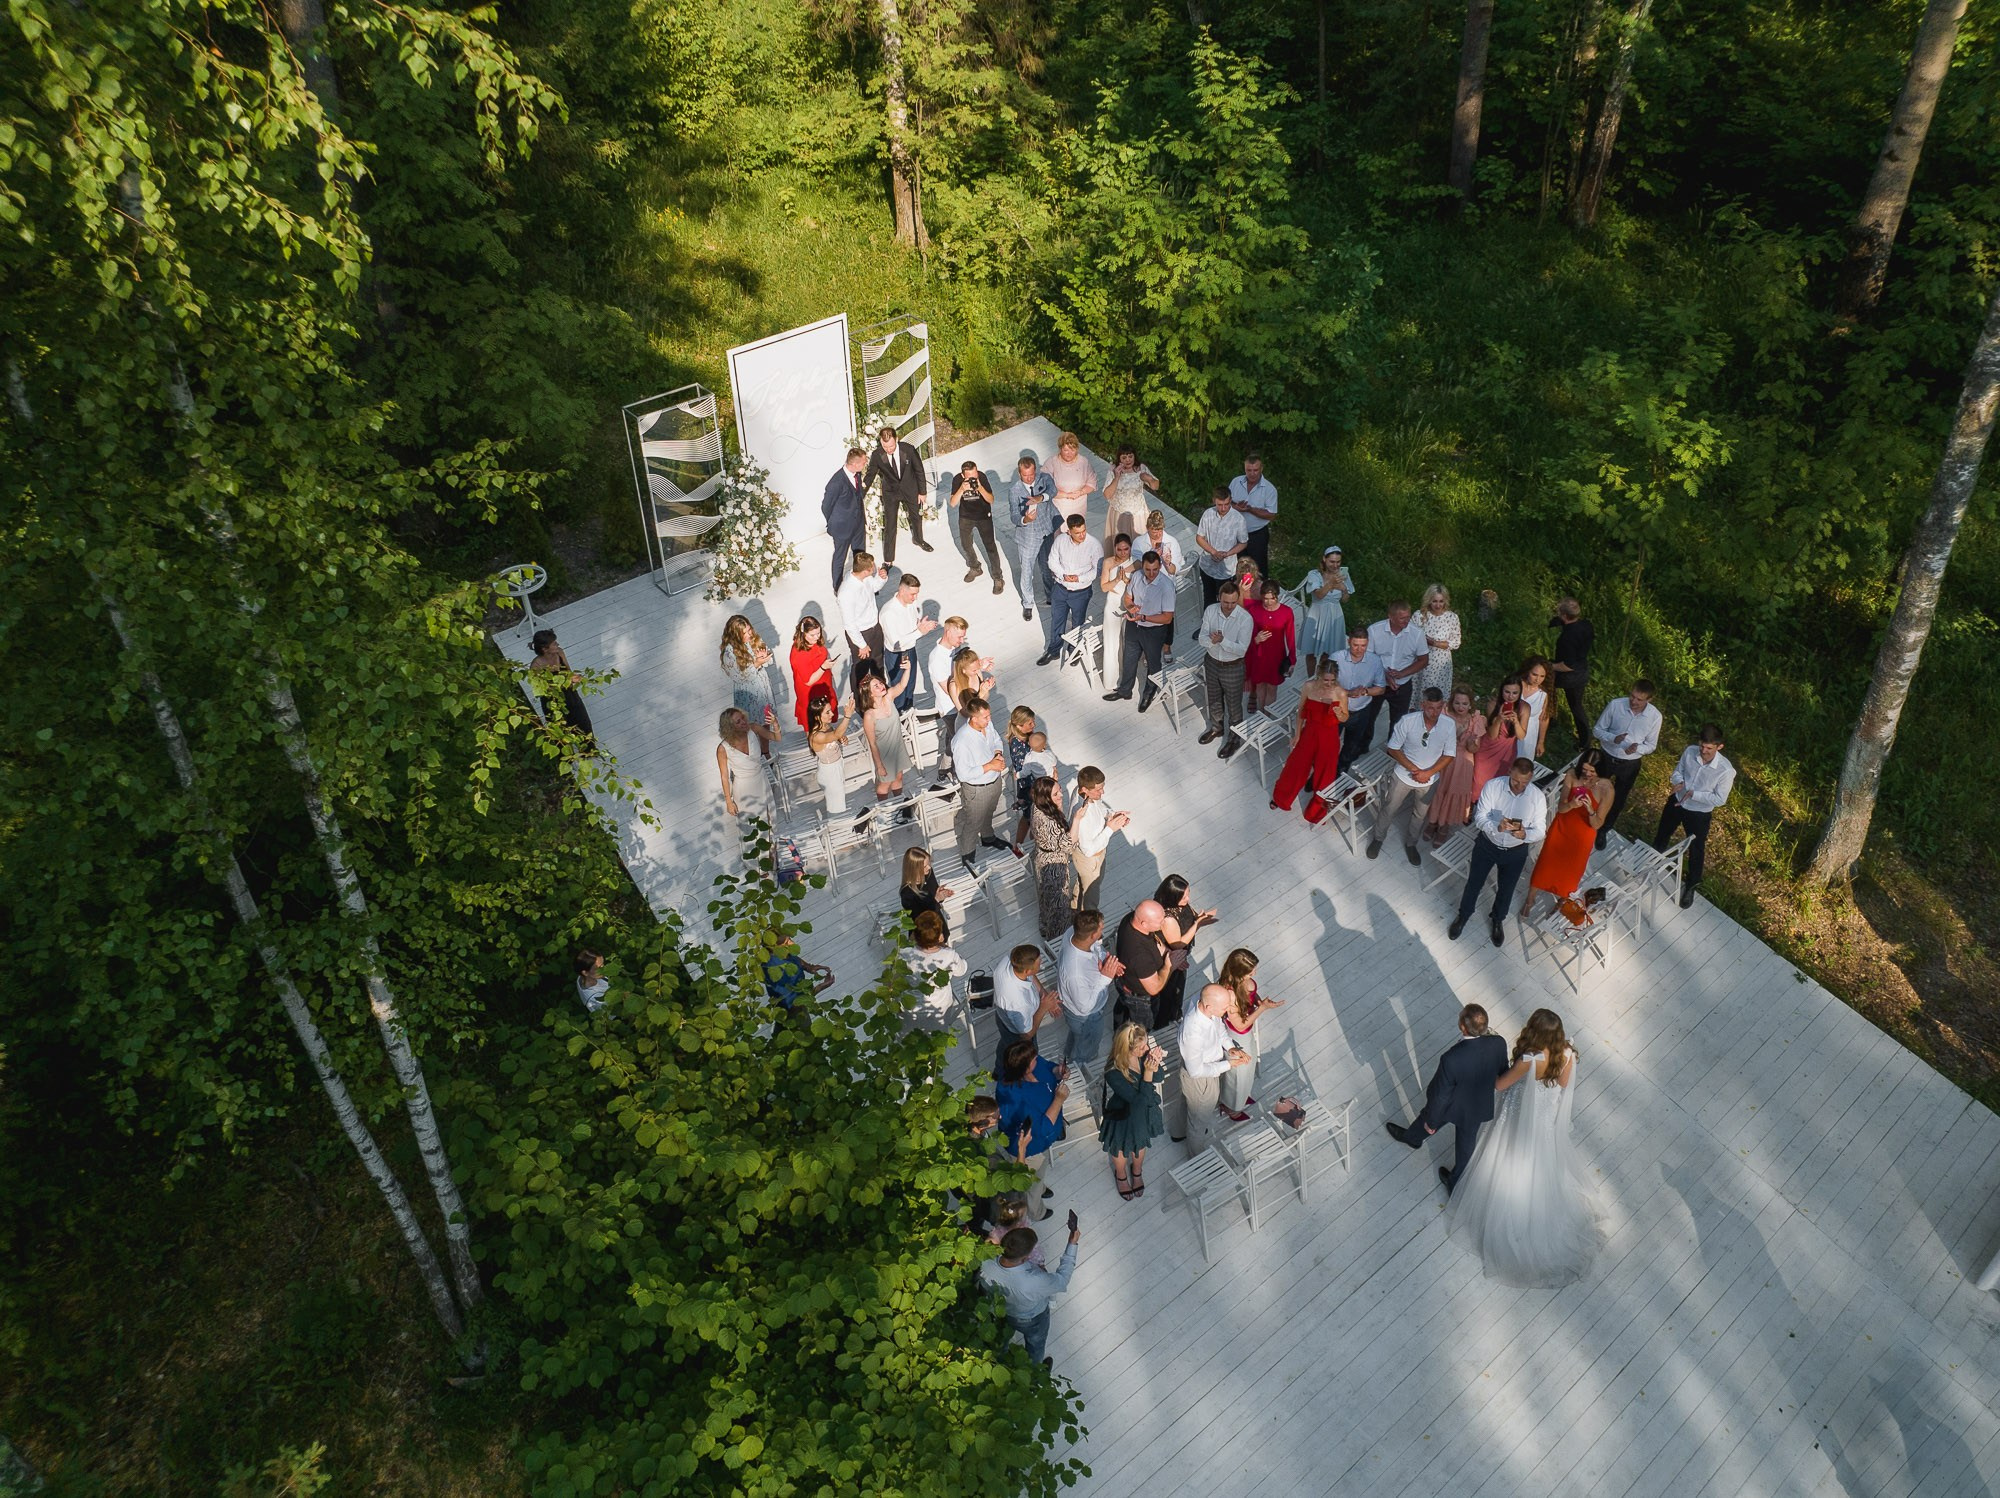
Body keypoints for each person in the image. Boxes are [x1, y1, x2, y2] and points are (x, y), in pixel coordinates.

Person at [1445, 1008, 1602, 1285]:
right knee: (1538, 1165)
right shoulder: (1568, 1055)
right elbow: (1564, 1086)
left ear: (1534, 1030)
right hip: (1544, 1121)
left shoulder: (1529, 1060)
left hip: (1518, 1117)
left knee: (1507, 1157)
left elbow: (1500, 1085)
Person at [1384, 1003, 1510, 1195]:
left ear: (1463, 1027)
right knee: (1467, 1144)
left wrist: (1432, 1123)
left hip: (1450, 1105)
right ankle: (1455, 1181)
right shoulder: (1499, 1042)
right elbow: (1503, 1071)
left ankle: (1413, 1138)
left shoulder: (1451, 1058)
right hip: (1477, 1106)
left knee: (1428, 1117)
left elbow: (1440, 1096)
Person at [1450, 757, 1549, 947]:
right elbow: (1479, 818)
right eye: (1515, 781)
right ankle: (1463, 916)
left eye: (1524, 783)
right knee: (1474, 883)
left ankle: (1497, 920)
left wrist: (1524, 835)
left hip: (1515, 851)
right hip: (1487, 844)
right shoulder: (1493, 786)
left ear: (1531, 778)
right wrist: (1497, 826)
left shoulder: (1537, 797)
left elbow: (1539, 831)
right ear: (1510, 771)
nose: (1519, 786)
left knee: (1507, 889)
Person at [1369, 687, 1458, 865]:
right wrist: (1415, 770)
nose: (1435, 712)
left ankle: (1411, 844)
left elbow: (1449, 754)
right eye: (1431, 708)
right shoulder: (1408, 721)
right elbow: (1393, 748)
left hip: (1430, 780)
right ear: (1422, 705)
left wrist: (1428, 773)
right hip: (1402, 775)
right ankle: (1378, 838)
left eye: (1439, 707)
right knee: (1389, 808)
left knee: (1420, 814)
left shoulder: (1449, 724)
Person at [978, 1213, 1081, 1367]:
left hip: (1000, 1310)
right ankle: (1034, 1373)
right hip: (1031, 1318)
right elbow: (1062, 1280)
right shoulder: (1034, 1281)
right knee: (1035, 1345)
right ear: (1026, 1257)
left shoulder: (985, 1261)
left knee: (1000, 1338)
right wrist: (1072, 1244)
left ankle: (997, 1363)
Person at [1522, 749, 1611, 920]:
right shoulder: (1572, 774)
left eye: (1592, 771)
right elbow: (1561, 808)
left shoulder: (1607, 788)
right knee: (1545, 865)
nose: (1587, 774)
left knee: (1570, 874)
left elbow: (1598, 824)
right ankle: (1529, 900)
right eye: (1585, 770)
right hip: (1563, 827)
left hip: (1583, 835)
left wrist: (1590, 810)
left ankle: (1562, 900)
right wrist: (1571, 804)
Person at [1653, 723, 1736, 907]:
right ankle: (1651, 863)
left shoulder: (1726, 770)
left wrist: (1695, 794)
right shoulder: (1690, 751)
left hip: (1698, 814)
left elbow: (1720, 799)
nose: (1703, 751)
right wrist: (1679, 781)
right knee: (1662, 833)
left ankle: (1691, 885)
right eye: (1702, 746)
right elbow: (1678, 771)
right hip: (1676, 802)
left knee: (1696, 849)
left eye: (1709, 748)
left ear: (1719, 746)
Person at [1271, 658, 1349, 818]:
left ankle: (1316, 812)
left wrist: (1338, 713)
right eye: (1325, 679)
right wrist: (1297, 734)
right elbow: (1301, 711)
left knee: (1325, 775)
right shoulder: (1309, 687)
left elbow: (1345, 718)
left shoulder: (1340, 692)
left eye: (1332, 680)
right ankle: (1281, 798)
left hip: (1329, 737)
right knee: (1295, 766)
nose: (1328, 683)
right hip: (1310, 732)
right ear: (1318, 675)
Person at [1178, 983, 1253, 1150]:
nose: (1227, 1011)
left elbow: (1219, 1031)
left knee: (1188, 1105)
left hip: (1205, 1066)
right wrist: (1228, 1064)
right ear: (1209, 1006)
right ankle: (1196, 1158)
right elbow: (1196, 1071)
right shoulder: (1193, 1032)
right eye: (1224, 1008)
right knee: (1199, 1120)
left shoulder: (1208, 1008)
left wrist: (1230, 1047)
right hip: (1201, 1078)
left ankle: (1178, 1132)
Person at [1591, 678, 1662, 848]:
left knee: (1618, 799)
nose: (1634, 701)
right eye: (1632, 696)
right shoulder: (1616, 705)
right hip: (1607, 755)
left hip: (1629, 763)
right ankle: (1587, 818)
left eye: (1639, 699)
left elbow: (1651, 745)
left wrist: (1637, 749)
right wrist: (1612, 738)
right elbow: (1597, 730)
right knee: (1594, 787)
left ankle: (1603, 830)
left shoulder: (1655, 717)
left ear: (1649, 700)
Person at [1103, 548, 1176, 712]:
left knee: (1153, 663)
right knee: (1129, 658)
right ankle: (1125, 690)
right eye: (1148, 569)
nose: (1151, 573)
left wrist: (1144, 617)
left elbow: (1167, 618)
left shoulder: (1167, 586)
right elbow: (1127, 597)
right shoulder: (1136, 577)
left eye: (1155, 569)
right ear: (1142, 566)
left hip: (1154, 631)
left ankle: (1149, 693)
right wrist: (1130, 607)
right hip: (1134, 625)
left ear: (1159, 567)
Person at [1101, 1024, 1166, 1201]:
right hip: (1124, 1114)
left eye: (1146, 1045)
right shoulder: (1113, 1071)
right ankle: (1120, 1174)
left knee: (1141, 1142)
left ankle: (1137, 1171)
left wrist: (1154, 1061)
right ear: (1127, 1048)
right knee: (1120, 1146)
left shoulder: (1144, 1054)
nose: (1146, 1049)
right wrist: (1148, 1073)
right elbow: (1138, 1101)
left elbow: (1159, 1077)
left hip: (1144, 1112)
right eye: (1142, 1047)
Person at [1219, 948, 1284, 1119]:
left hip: (1246, 1034)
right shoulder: (1230, 993)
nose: (1254, 972)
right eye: (1250, 971)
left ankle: (1240, 1097)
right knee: (1238, 1073)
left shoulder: (1244, 981)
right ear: (1240, 972)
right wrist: (1262, 1008)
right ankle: (1232, 1107)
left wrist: (1259, 1001)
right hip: (1237, 1036)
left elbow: (1250, 996)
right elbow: (1240, 1025)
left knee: (1250, 1064)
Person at [952, 695, 1014, 873]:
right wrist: (989, 766)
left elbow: (995, 739)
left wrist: (997, 752)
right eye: (985, 717)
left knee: (989, 812)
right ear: (973, 717)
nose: (989, 719)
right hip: (976, 789)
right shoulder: (962, 741)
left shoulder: (987, 725)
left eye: (989, 715)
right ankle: (967, 855)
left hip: (993, 781)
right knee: (973, 822)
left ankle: (988, 837)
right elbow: (963, 774)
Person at [1058, 909, 1122, 1077]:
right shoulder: (1075, 973)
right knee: (1086, 1050)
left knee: (1076, 1038)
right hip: (1086, 1017)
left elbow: (1095, 949)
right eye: (1101, 928)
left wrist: (1106, 960)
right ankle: (1077, 1073)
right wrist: (1105, 978)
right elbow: (1085, 1007)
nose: (1103, 930)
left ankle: (1069, 1055)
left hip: (1076, 1012)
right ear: (1093, 935)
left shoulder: (1074, 934)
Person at [1421, 685, 1487, 844]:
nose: (1461, 707)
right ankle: (1433, 822)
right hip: (1444, 757)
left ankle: (1444, 826)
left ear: (1470, 704)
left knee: (1454, 792)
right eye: (1457, 703)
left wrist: (1472, 742)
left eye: (1464, 704)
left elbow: (1474, 748)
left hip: (1463, 762)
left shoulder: (1477, 719)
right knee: (1440, 789)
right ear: (1452, 702)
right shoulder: (1444, 714)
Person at [1197, 581, 1254, 756]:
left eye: (1233, 602)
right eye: (1225, 602)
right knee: (1213, 697)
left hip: (1233, 666)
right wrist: (1211, 641)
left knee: (1234, 704)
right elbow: (1202, 638)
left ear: (1238, 599)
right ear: (1219, 598)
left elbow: (1242, 650)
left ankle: (1234, 738)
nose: (1229, 606)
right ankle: (1217, 727)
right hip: (1212, 661)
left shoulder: (1245, 619)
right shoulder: (1210, 611)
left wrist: (1222, 641)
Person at [1039, 514, 1103, 666]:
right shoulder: (1060, 540)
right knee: (1057, 620)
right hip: (1060, 588)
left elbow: (1097, 570)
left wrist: (1078, 578)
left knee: (1078, 622)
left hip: (1081, 592)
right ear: (1069, 531)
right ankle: (1053, 650)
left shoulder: (1094, 545)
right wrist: (1063, 575)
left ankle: (1074, 650)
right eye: (1077, 532)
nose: (1082, 535)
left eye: (1083, 531)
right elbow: (1052, 560)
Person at [1153, 875, 1215, 1032]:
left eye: (1188, 893)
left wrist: (1202, 918)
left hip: (1180, 956)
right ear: (1172, 897)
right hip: (1171, 959)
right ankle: (1163, 1023)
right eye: (1184, 895)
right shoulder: (1168, 918)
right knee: (1170, 992)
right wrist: (1197, 925)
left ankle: (1174, 1013)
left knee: (1177, 991)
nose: (1188, 898)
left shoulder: (1181, 904)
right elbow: (1178, 944)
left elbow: (1191, 917)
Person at [996, 1038, 1068, 1172]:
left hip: (1051, 1126)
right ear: (1025, 1068)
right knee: (1035, 1177)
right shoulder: (1015, 1097)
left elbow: (1046, 1066)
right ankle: (1038, 1190)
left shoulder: (1032, 1064)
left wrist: (1057, 1071)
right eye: (1034, 1059)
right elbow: (1041, 1129)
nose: (1037, 1059)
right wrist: (1058, 1100)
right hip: (1031, 1148)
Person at [864, 422, 931, 564]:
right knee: (890, 525)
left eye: (891, 446)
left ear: (897, 439)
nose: (888, 449)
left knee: (916, 517)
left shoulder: (909, 450)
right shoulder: (877, 455)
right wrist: (860, 493)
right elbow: (870, 476)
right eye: (885, 446)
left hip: (910, 489)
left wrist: (922, 492)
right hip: (891, 493)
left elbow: (919, 471)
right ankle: (888, 559)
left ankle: (919, 539)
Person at [993, 944, 1061, 1075]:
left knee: (1005, 1044)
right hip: (1016, 1030)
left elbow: (1030, 976)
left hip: (1002, 1017)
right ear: (1027, 971)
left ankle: (998, 1069)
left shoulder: (1009, 961)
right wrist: (1043, 1007)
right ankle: (1010, 1075)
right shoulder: (1018, 1002)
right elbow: (1026, 1035)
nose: (1041, 964)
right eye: (1038, 963)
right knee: (1024, 1057)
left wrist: (1043, 994)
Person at [1026, 775, 1080, 941]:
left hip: (1042, 856)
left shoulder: (1038, 806)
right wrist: (1077, 819)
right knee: (1058, 905)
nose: (1061, 795)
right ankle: (1056, 941)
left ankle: (1044, 925)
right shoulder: (1047, 821)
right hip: (1053, 865)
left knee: (1046, 897)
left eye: (1060, 791)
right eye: (1056, 794)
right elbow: (1068, 845)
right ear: (1046, 798)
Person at [719, 615, 780, 758]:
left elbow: (767, 660)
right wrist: (757, 664)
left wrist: (765, 657)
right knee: (749, 725)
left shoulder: (754, 640)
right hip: (747, 693)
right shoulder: (729, 652)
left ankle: (765, 751)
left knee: (765, 720)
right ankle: (752, 754)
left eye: (749, 630)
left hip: (762, 687)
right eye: (744, 633)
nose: (749, 634)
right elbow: (739, 677)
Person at [1068, 765, 1128, 911]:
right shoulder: (1082, 814)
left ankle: (1074, 905)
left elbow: (1100, 808)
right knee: (1090, 901)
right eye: (1098, 790)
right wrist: (1110, 829)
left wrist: (1111, 815)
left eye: (1102, 787)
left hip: (1097, 854)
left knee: (1085, 883)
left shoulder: (1087, 794)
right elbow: (1088, 850)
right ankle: (1083, 922)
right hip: (1090, 860)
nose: (1102, 792)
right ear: (1084, 789)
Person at [877, 573, 938, 712]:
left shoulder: (911, 603)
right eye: (912, 594)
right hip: (896, 655)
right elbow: (896, 643)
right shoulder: (888, 613)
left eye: (916, 594)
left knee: (910, 685)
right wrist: (919, 632)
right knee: (899, 690)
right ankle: (900, 718)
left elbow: (914, 621)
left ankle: (909, 713)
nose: (915, 597)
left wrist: (919, 625)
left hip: (910, 650)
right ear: (902, 591)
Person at [1008, 454, 1059, 621]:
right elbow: (1014, 516)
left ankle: (1051, 596)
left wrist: (1040, 497)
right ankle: (1028, 604)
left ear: (1035, 471)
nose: (1029, 478)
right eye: (1025, 475)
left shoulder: (1044, 479)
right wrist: (1025, 520)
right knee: (1027, 570)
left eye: (1031, 474)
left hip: (1046, 530)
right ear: (1019, 472)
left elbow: (1053, 491)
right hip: (1028, 536)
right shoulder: (1014, 491)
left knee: (1047, 567)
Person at [1367, 602, 1430, 733]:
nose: (1406, 621)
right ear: (1390, 616)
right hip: (1376, 682)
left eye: (1408, 617)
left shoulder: (1417, 634)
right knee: (1368, 717)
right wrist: (1384, 675)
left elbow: (1423, 660)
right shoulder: (1374, 630)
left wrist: (1402, 674)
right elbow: (1368, 657)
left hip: (1403, 685)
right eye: (1402, 618)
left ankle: (1392, 750)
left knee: (1398, 722)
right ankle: (1361, 747)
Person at [901, 909, 968, 1031]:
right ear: (940, 936)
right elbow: (961, 970)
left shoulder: (904, 954)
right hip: (939, 1006)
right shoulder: (949, 955)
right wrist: (947, 948)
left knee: (912, 1032)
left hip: (911, 1005)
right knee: (939, 1032)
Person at [1111, 900, 1171, 1032]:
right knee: (1142, 1029)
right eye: (1160, 921)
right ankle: (1135, 1050)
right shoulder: (1139, 955)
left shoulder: (1131, 919)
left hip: (1123, 981)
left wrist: (1167, 952)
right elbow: (1154, 988)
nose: (1164, 922)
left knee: (1122, 1005)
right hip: (1139, 997)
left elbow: (1153, 937)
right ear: (1144, 923)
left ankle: (1117, 1030)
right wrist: (1168, 966)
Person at [1334, 626, 1388, 771]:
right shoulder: (1336, 658)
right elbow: (1326, 686)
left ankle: (1340, 773)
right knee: (1329, 745)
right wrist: (1347, 693)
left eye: (1363, 645)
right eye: (1355, 645)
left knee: (1351, 747)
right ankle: (1320, 774)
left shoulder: (1375, 661)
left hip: (1361, 711)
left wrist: (1365, 691)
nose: (1359, 649)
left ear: (1368, 643)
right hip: (1337, 709)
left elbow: (1381, 688)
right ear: (1348, 642)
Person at [529, 629, 596, 746]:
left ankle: (588, 749)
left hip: (569, 693)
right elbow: (540, 689)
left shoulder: (559, 653)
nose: (558, 645)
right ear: (545, 649)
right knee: (560, 727)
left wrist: (574, 677)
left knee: (582, 721)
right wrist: (564, 682)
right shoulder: (536, 665)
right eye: (554, 644)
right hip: (552, 700)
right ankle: (566, 755)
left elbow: (568, 671)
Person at [856, 664, 913, 802]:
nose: (881, 686)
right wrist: (879, 765)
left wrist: (908, 669)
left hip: (898, 747)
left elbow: (902, 685)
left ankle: (899, 803)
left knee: (899, 776)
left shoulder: (889, 697)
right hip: (884, 753)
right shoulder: (869, 715)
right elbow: (872, 743)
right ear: (869, 693)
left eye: (880, 683)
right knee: (885, 783)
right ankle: (884, 807)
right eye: (876, 686)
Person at [1297, 546, 1354, 679]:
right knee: (1310, 651)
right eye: (1332, 562)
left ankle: (1321, 678)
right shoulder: (1314, 574)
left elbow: (1345, 600)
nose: (1335, 565)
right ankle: (1310, 678)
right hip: (1317, 612)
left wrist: (1344, 589)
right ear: (1324, 559)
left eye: (1338, 562)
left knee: (1328, 651)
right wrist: (1331, 584)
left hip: (1335, 613)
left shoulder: (1343, 574)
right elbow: (1319, 595)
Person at [948, 460, 1005, 591]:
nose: (974, 478)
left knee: (990, 547)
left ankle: (998, 577)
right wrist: (962, 489)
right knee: (965, 544)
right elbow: (952, 503)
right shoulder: (958, 480)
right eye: (970, 477)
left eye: (975, 475)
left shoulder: (982, 477)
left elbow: (991, 499)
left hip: (983, 516)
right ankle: (975, 567)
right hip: (966, 516)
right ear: (963, 476)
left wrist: (980, 488)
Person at [1243, 579, 1297, 713]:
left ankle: (1267, 714)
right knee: (1260, 685)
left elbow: (1290, 637)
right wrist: (1256, 639)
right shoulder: (1254, 610)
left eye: (1272, 599)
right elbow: (1245, 633)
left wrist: (1292, 659)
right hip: (1259, 655)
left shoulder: (1286, 612)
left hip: (1276, 656)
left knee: (1272, 687)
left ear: (1277, 596)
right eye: (1265, 599)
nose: (1268, 602)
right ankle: (1260, 712)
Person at [1471, 676, 1529, 800]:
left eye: (1515, 693)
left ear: (1520, 693)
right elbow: (1491, 735)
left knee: (1497, 785)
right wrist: (1498, 719)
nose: (1510, 696)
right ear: (1501, 690)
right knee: (1478, 783)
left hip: (1507, 752)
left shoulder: (1524, 707)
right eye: (1507, 692)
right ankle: (1471, 811)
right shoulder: (1493, 704)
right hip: (1488, 750)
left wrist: (1516, 722)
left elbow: (1521, 736)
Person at [821, 446, 870, 589]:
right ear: (854, 464)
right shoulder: (836, 482)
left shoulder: (857, 474)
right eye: (863, 463)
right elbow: (826, 506)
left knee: (860, 555)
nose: (865, 464)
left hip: (858, 524)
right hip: (842, 528)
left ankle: (862, 582)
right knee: (840, 558)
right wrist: (836, 522)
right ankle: (838, 587)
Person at [1549, 597, 1594, 749]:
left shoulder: (1566, 639)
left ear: (1564, 615)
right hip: (1582, 671)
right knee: (1576, 706)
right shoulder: (1586, 625)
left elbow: (1568, 665)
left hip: (1571, 675)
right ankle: (1585, 741)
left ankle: (1548, 718)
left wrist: (1550, 666)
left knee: (1542, 683)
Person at [1194, 486, 1248, 608]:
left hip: (1226, 570)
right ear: (1214, 501)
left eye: (1226, 504)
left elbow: (1243, 542)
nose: (1223, 508)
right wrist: (1213, 551)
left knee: (1226, 601)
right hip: (1207, 565)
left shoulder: (1238, 519)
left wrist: (1227, 554)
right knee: (1208, 598)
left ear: (1230, 501)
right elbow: (1199, 537)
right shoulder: (1208, 514)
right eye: (1220, 505)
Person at [837, 551, 889, 674]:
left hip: (875, 627)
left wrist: (881, 578)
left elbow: (874, 587)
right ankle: (858, 693)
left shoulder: (865, 578)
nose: (875, 567)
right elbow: (849, 624)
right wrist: (862, 645)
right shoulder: (846, 593)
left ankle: (881, 688)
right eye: (872, 567)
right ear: (865, 571)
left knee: (878, 662)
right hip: (861, 633)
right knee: (861, 669)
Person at [715, 707, 769, 823]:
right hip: (744, 789)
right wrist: (729, 802)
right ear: (730, 727)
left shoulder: (752, 731)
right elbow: (724, 777)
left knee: (769, 820)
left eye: (742, 718)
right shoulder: (723, 749)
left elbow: (770, 736)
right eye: (738, 722)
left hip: (762, 781)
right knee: (751, 825)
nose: (743, 722)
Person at [1229, 451, 1278, 572]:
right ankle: (1241, 587)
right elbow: (1227, 502)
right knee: (1239, 564)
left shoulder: (1269, 489)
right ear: (1244, 469)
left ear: (1261, 468)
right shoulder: (1236, 482)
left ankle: (1261, 589)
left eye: (1255, 470)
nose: (1252, 474)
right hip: (1236, 532)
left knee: (1258, 566)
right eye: (1248, 470)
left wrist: (1250, 509)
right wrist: (1236, 507)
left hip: (1257, 534)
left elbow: (1271, 515)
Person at [1097, 533, 1136, 682]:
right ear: (1115, 548)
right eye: (1119, 549)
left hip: (1128, 604)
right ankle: (1110, 680)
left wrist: (1126, 581)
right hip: (1112, 603)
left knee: (1127, 641)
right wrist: (1117, 579)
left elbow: (1138, 586)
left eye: (1126, 549)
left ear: (1130, 548)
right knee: (1111, 642)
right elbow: (1104, 587)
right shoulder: (1108, 562)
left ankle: (1125, 673)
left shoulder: (1136, 562)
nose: (1123, 553)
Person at [789, 615, 838, 733]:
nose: (816, 637)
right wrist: (823, 667)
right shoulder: (798, 654)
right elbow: (808, 681)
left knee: (827, 714)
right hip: (810, 691)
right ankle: (815, 746)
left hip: (824, 684)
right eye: (812, 635)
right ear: (803, 633)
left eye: (818, 633)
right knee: (813, 722)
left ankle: (829, 736)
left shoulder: (815, 642)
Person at [762, 930, 834, 1010]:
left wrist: (808, 966)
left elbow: (792, 957)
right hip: (794, 1015)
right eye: (786, 943)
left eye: (790, 939)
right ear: (774, 949)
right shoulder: (778, 974)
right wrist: (820, 987)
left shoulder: (783, 953)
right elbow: (796, 1005)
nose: (792, 943)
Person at [807, 695, 856, 814]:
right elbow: (835, 734)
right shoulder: (816, 735)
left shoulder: (825, 726)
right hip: (830, 773)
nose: (832, 714)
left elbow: (835, 735)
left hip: (836, 766)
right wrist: (847, 715)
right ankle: (838, 828)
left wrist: (840, 739)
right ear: (817, 716)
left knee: (837, 800)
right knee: (836, 806)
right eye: (827, 712)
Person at [1102, 444, 1159, 543]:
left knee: (1140, 542)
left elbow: (1155, 486)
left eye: (1130, 456)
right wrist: (1116, 477)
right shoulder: (1113, 470)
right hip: (1119, 513)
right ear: (1119, 458)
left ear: (1134, 456)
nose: (1128, 460)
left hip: (1138, 514)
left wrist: (1149, 479)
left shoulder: (1141, 468)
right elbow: (1107, 495)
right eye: (1124, 457)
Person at [900, 846, 956, 942]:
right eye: (925, 866)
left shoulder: (928, 873)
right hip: (924, 934)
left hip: (938, 923)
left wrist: (942, 895)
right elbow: (921, 919)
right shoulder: (907, 893)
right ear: (914, 869)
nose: (929, 867)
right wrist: (936, 900)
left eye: (929, 864)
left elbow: (935, 895)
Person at [1417, 584, 1462, 698]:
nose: (1438, 605)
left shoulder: (1452, 618)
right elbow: (1410, 638)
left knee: (1438, 693)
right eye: (1434, 601)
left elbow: (1456, 642)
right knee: (1422, 692)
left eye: (1441, 601)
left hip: (1441, 663)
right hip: (1421, 660)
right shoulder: (1419, 616)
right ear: (1428, 601)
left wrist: (1434, 643)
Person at [1048, 431, 1097, 525]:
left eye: (1072, 450)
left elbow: (1092, 483)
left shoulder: (1084, 462)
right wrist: (1066, 495)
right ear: (1060, 448)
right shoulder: (1052, 463)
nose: (1069, 453)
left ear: (1077, 449)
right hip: (1058, 507)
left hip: (1079, 507)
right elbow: (1046, 487)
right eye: (1066, 450)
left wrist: (1081, 492)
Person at [1519, 656, 1553, 762]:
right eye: (1534, 674)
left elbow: (1543, 718)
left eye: (1542, 676)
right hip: (1509, 730)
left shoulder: (1543, 694)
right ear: (1528, 671)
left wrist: (1541, 741)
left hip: (1528, 735)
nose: (1537, 679)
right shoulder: (1515, 685)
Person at [574, 948, 609, 1013]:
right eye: (599, 968)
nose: (605, 969)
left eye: (603, 964)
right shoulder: (595, 998)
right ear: (585, 973)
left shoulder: (582, 977)